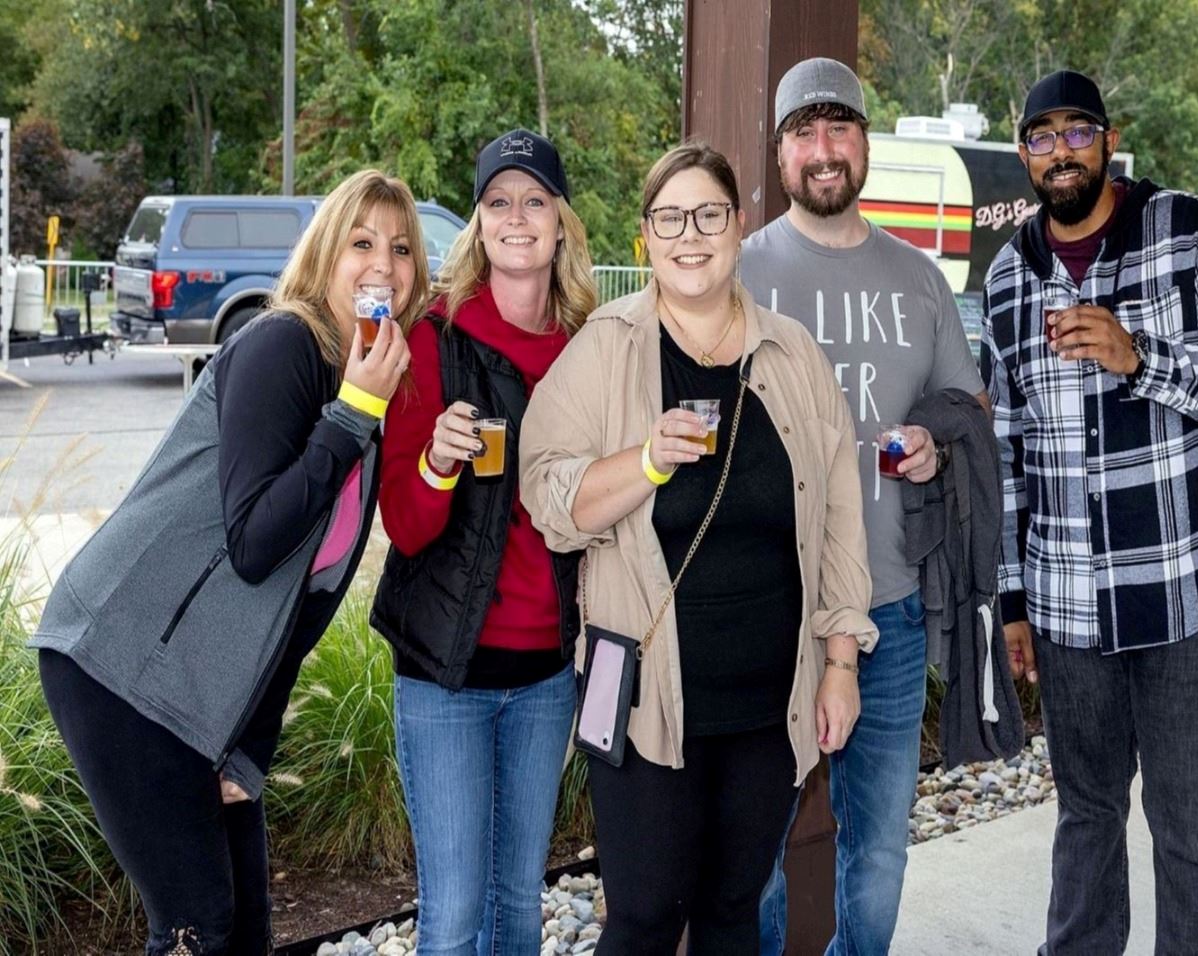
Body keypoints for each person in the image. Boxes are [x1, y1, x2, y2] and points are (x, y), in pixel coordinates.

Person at [30, 169, 422, 955]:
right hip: (119, 665)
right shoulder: (284, 345)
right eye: (362, 242)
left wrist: (250, 747)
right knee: (195, 926)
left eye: (402, 248)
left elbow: (297, 608)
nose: (383, 263)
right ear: (323, 256)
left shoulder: (361, 400)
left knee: (245, 932)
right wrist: (352, 412)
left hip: (202, 700)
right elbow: (254, 544)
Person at [518, 142, 876, 955]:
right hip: (646, 698)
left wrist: (840, 665)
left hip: (765, 700)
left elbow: (838, 523)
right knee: (643, 917)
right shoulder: (606, 347)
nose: (691, 234)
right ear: (644, 237)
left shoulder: (791, 355)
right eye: (669, 218)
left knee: (730, 912)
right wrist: (644, 462)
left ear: (739, 226)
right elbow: (547, 495)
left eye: (708, 214)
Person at [982, 70, 1198, 955]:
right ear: (1023, 152)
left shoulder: (1180, 229)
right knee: (1085, 817)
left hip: (1180, 589)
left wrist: (1139, 356)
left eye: (1078, 131)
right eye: (1042, 135)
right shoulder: (1007, 280)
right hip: (1069, 605)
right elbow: (1007, 456)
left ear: (1108, 140)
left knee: (1188, 828)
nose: (1061, 150)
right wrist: (1009, 601)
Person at [740, 57, 987, 955]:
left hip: (889, 608)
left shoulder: (918, 277)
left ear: (863, 143)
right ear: (779, 153)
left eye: (838, 127)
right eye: (802, 131)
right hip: (767, 613)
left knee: (876, 848)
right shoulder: (736, 270)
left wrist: (932, 438)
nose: (822, 148)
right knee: (752, 852)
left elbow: (965, 404)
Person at [369, 128, 597, 956]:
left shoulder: (588, 349)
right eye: (496, 201)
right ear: (477, 224)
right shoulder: (434, 340)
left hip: (543, 674)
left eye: (534, 200)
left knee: (514, 908)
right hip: (446, 675)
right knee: (454, 915)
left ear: (560, 223)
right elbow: (406, 523)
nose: (515, 216)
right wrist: (434, 459)